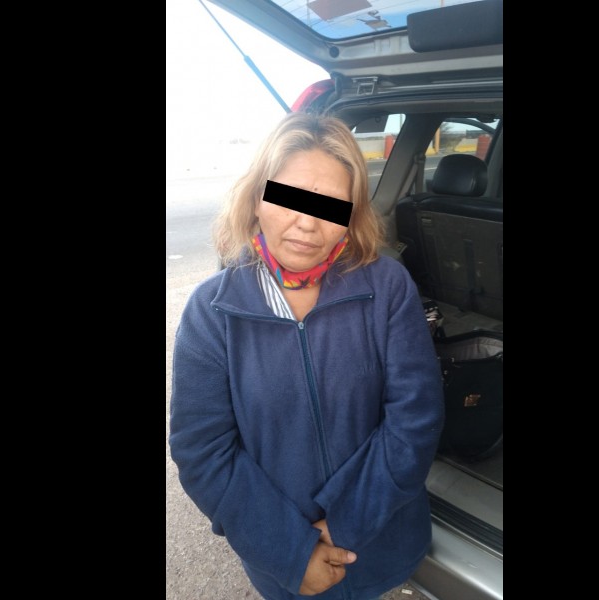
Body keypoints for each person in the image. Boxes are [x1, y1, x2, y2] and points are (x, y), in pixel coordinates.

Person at [169, 112, 445, 600]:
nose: (307, 222)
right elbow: (202, 449)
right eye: (289, 198)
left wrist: (345, 522)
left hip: (382, 543)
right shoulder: (212, 311)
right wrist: (290, 552)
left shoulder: (388, 287)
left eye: (330, 205)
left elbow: (415, 417)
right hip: (285, 566)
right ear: (257, 198)